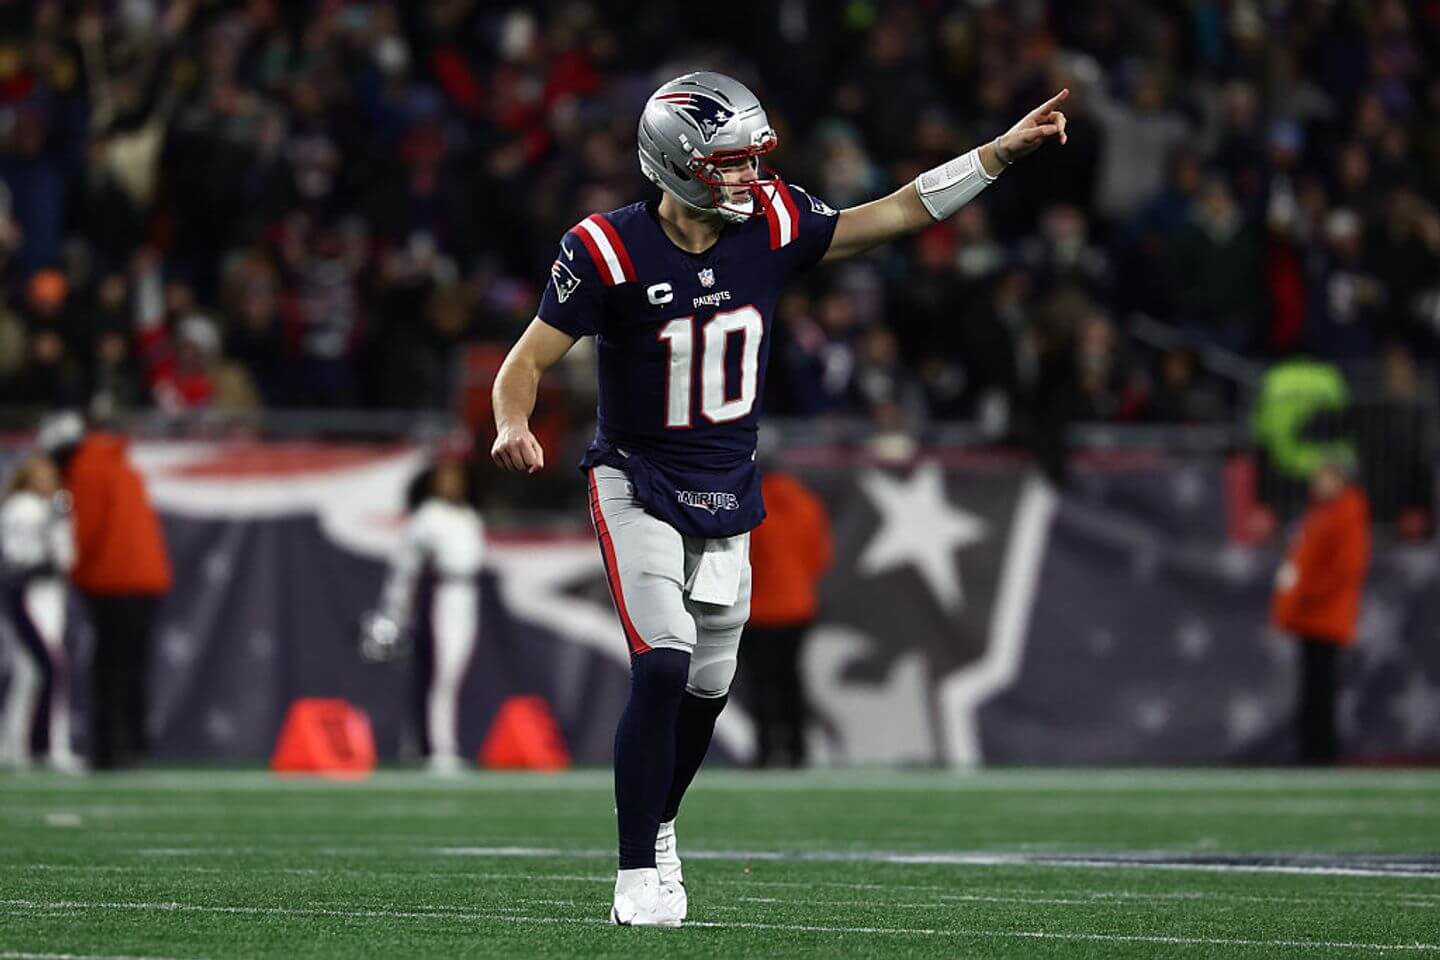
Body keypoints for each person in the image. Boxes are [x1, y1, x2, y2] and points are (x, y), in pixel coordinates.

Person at [490, 70, 1068, 926]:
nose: (749, 176)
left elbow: (898, 212)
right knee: (664, 659)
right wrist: (513, 422)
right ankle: (635, 872)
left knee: (709, 684)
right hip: (637, 478)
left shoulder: (772, 220)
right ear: (676, 163)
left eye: (752, 158)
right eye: (728, 162)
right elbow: (525, 361)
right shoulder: (606, 249)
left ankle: (661, 822)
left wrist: (998, 155)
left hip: (729, 488)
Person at [37, 412, 172, 771]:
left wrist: (71, 572)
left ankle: (108, 753)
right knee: (132, 668)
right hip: (147, 580)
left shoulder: (87, 470)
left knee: (109, 670)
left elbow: (87, 532)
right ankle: (135, 747)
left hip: (114, 582)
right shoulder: (120, 465)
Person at [360, 457, 484, 775]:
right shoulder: (427, 516)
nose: (452, 485)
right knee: (442, 673)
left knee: (455, 672)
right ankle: (437, 747)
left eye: (456, 479)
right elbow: (405, 568)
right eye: (445, 479)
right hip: (442, 592)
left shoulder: (469, 516)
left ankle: (440, 743)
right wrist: (394, 612)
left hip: (468, 593)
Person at [1271, 453, 1371, 765]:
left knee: (1320, 688)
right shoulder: (1321, 512)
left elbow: (1346, 568)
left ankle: (1321, 754)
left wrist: (1306, 594)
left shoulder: (1347, 514)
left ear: (1340, 480)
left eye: (1324, 477)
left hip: (1326, 614)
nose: (1317, 483)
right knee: (1311, 687)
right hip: (1311, 615)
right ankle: (1311, 752)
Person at [740, 462, 832, 768]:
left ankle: (765, 750)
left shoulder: (749, 503)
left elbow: (744, 558)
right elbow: (820, 558)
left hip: (758, 608)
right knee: (791, 679)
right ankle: (797, 749)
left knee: (760, 683)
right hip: (797, 606)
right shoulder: (806, 503)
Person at [0, 454, 81, 772]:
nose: (46, 480)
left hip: (50, 594)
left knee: (44, 668)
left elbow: (66, 556)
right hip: (30, 593)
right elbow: (17, 556)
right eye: (39, 474)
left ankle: (38, 743)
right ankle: (26, 744)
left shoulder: (55, 507)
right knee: (36, 668)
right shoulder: (21, 508)